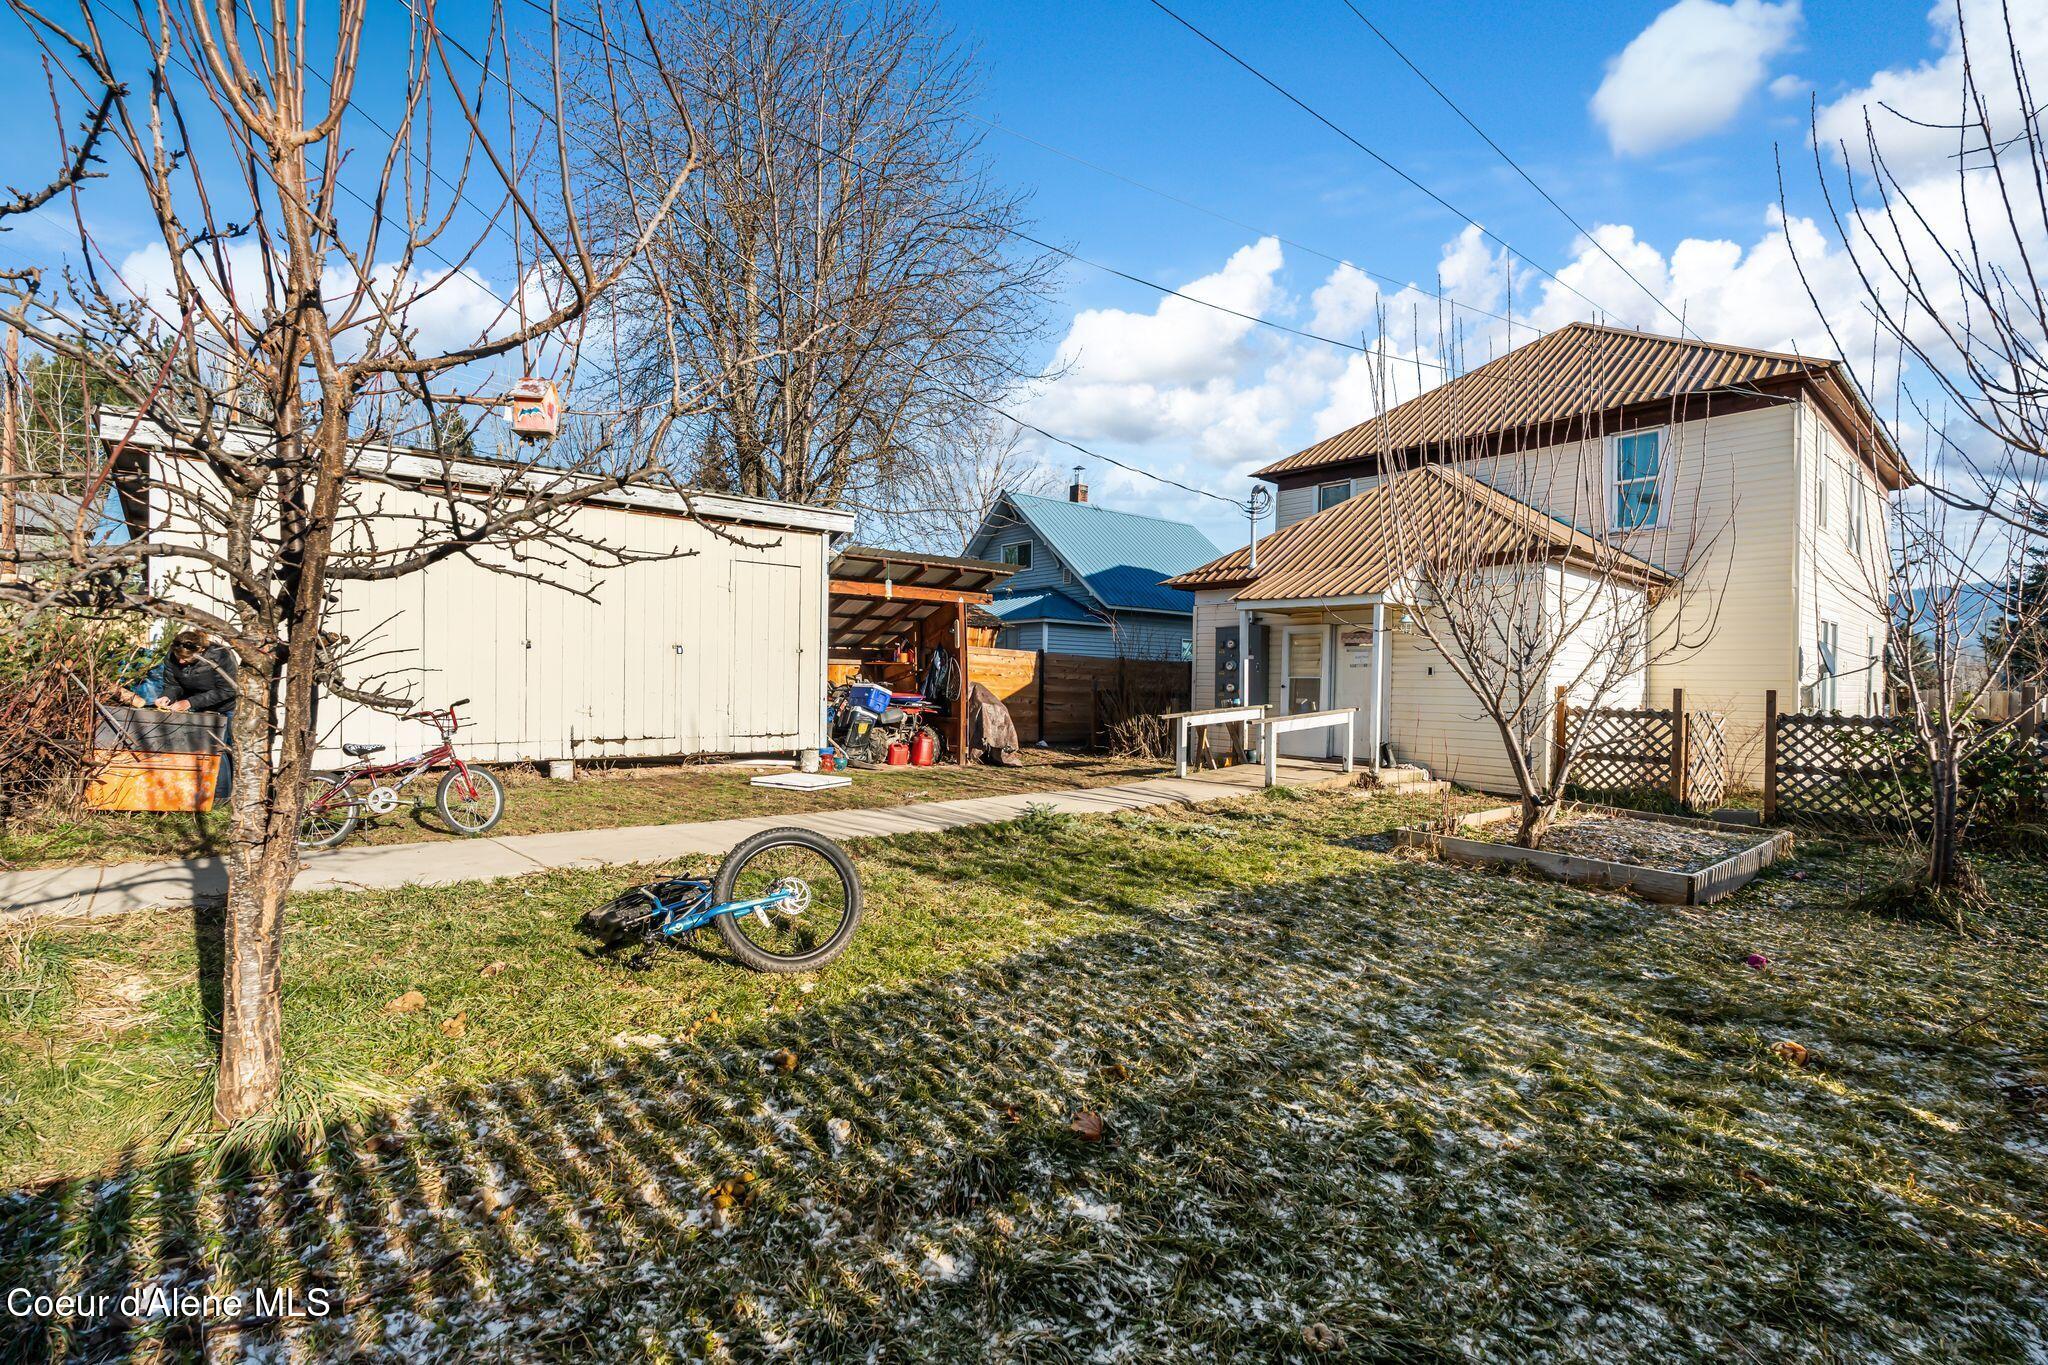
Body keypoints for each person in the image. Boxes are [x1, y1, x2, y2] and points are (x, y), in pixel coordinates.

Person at [154, 630, 239, 717]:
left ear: (201, 650)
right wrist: (167, 696)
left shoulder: (221, 655)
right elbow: (173, 684)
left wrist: (190, 702)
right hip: (191, 708)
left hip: (223, 709)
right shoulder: (173, 654)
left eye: (186, 658)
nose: (181, 661)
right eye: (178, 657)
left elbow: (228, 689)